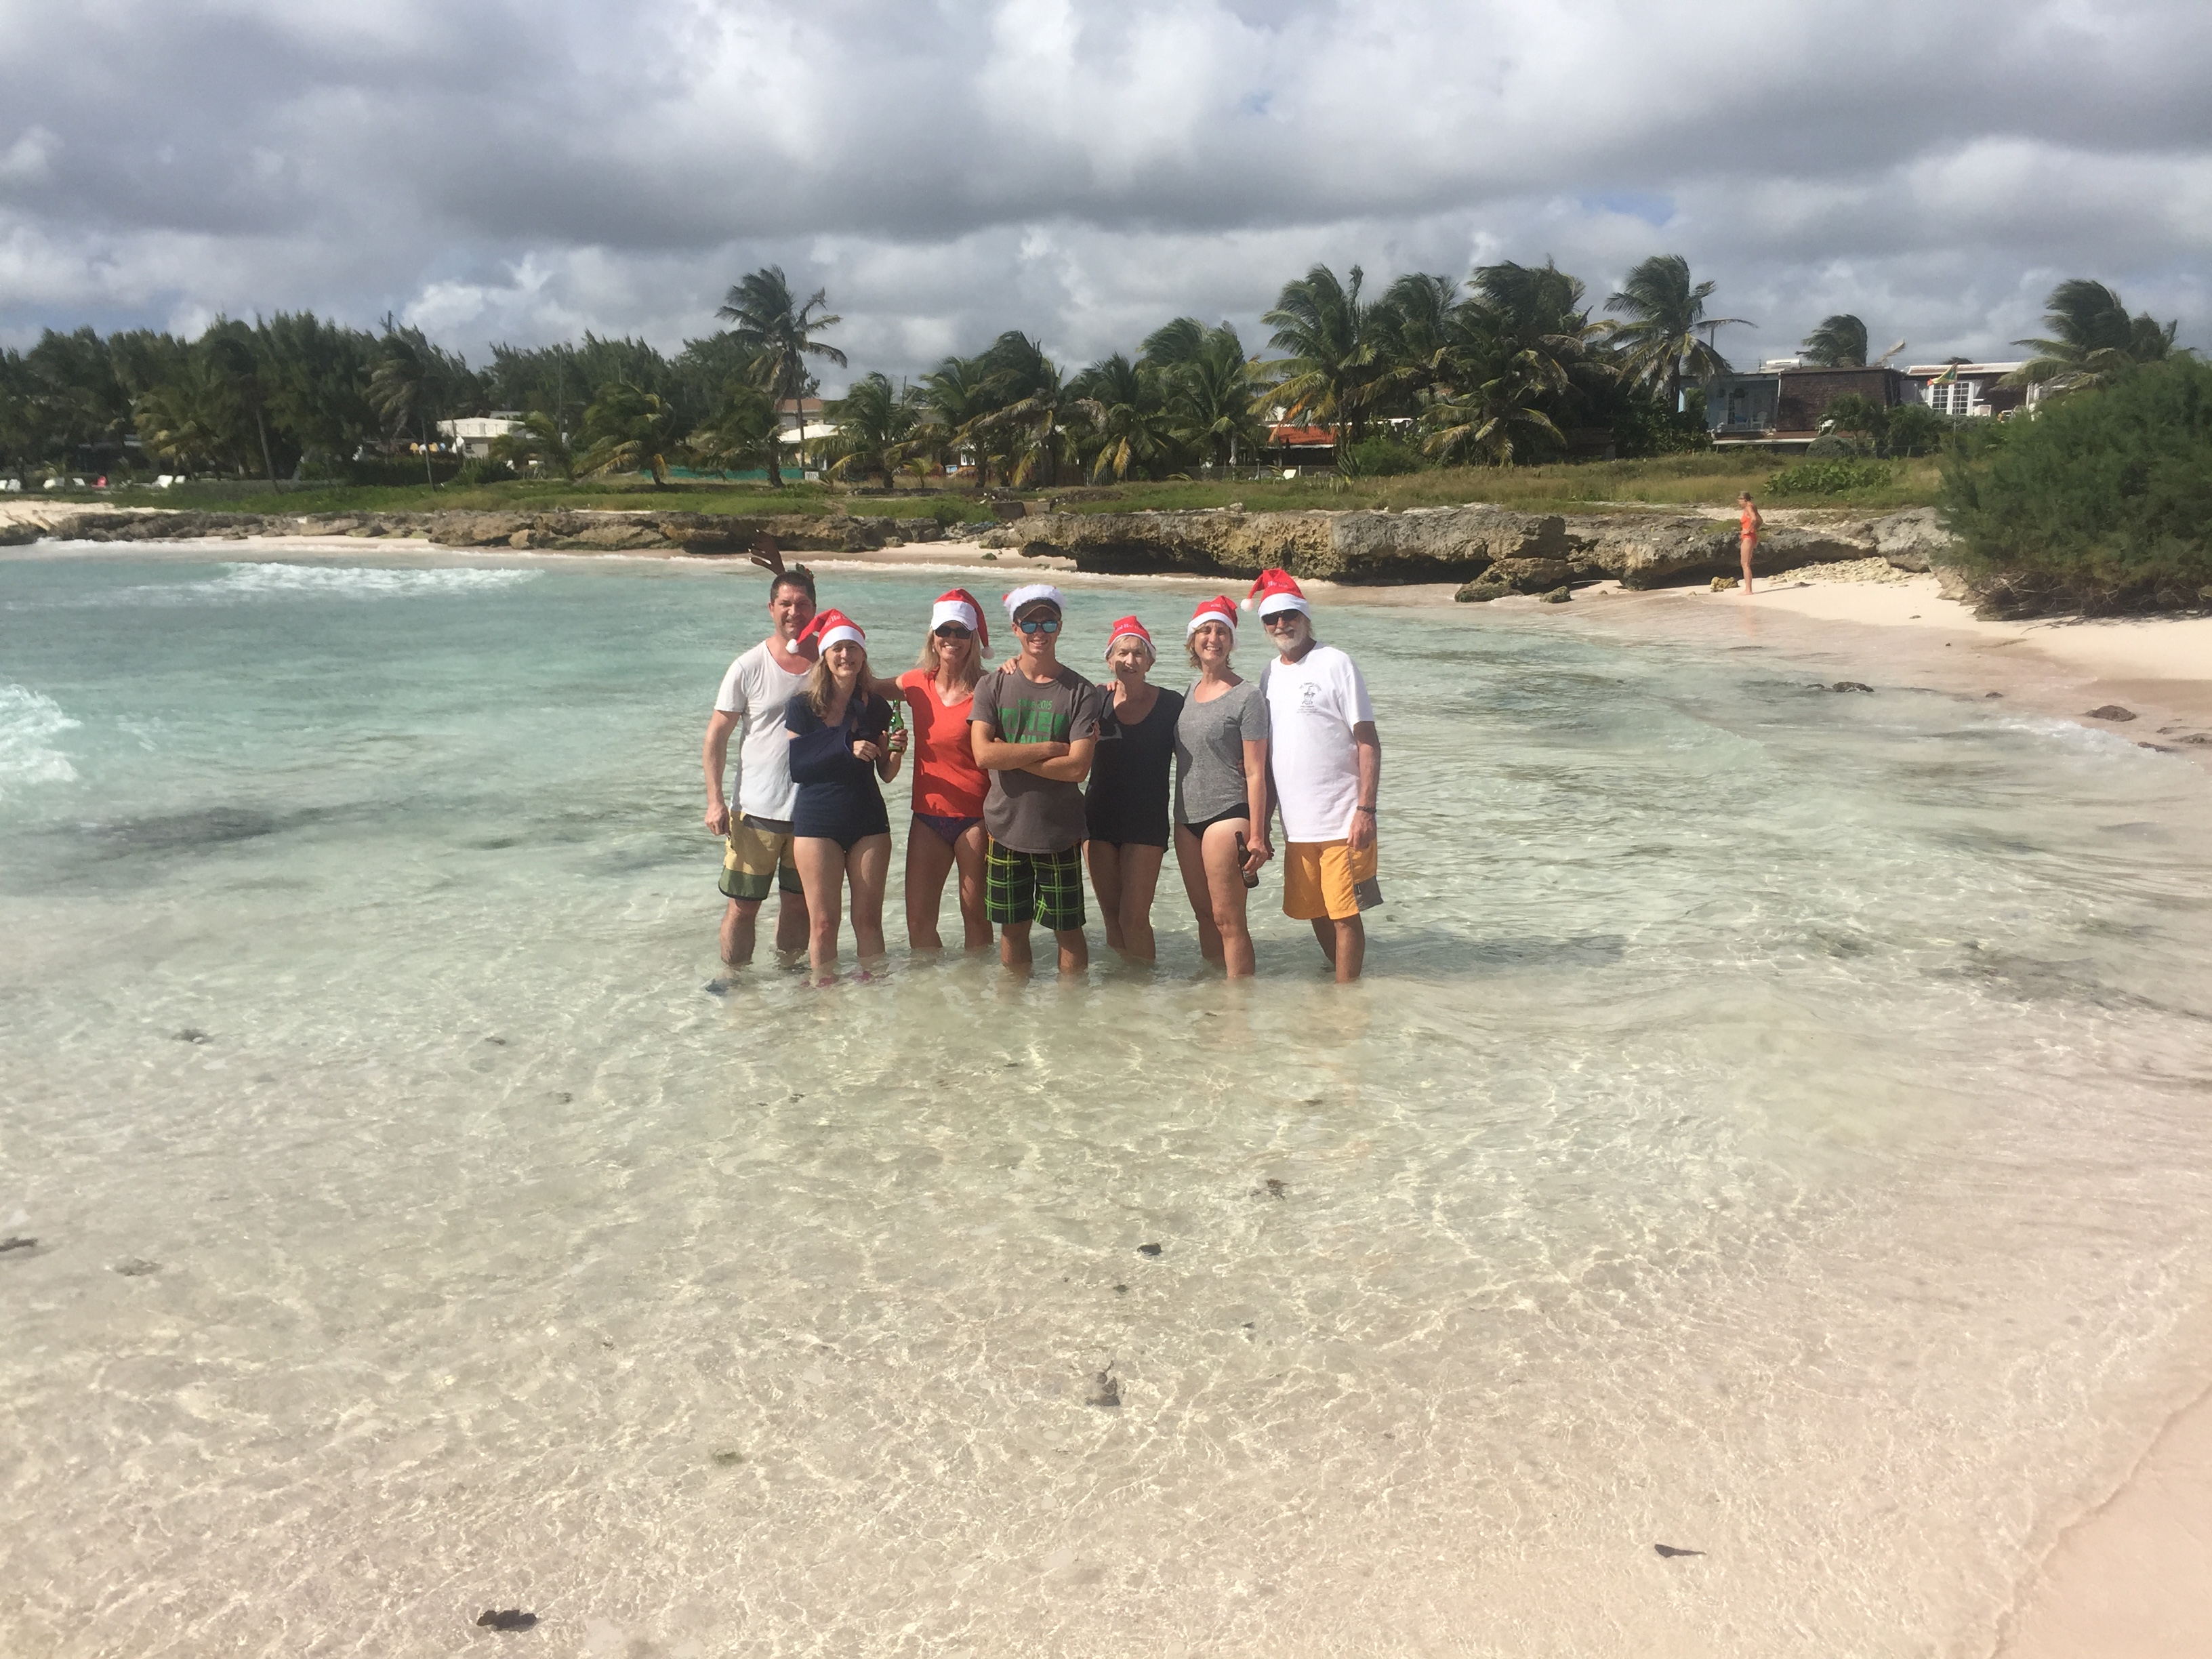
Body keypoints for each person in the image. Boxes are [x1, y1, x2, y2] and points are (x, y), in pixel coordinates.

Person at [1251, 569, 1380, 984]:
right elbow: (1268, 759)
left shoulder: (1336, 663)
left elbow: (1368, 742)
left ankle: (1348, 998)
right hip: (1296, 826)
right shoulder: (1269, 675)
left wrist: (1366, 810)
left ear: (1305, 617)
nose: (1280, 624)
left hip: (1343, 821)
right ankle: (1338, 988)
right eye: (1271, 618)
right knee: (1316, 911)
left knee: (1345, 913)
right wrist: (1262, 825)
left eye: (1289, 615)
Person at [968, 583, 1105, 975]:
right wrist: (1049, 748)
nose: (1038, 631)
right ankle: (1012, 1008)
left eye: (1048, 622)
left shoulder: (1082, 692)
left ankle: (1071, 1008)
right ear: (1015, 629)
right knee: (1012, 931)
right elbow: (983, 755)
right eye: (1029, 624)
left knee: (1069, 932)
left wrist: (1009, 755)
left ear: (1060, 627)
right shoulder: (992, 685)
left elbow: (1077, 769)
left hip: (1059, 831)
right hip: (1005, 829)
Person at [703, 565, 817, 966]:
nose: (793, 612)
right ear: (771, 608)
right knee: (743, 906)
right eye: (785, 604)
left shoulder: (830, 662)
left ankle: (791, 976)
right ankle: (735, 981)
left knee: (799, 904)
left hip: (812, 809)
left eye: (802, 604)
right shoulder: (748, 666)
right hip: (756, 810)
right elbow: (717, 735)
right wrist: (715, 801)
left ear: (814, 609)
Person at [784, 609, 903, 983]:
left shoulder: (876, 706)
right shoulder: (802, 706)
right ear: (825, 655)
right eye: (837, 648)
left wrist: (896, 749)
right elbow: (799, 766)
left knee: (868, 921)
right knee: (823, 923)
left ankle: (873, 1001)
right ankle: (827, 1003)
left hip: (868, 820)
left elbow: (886, 774)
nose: (845, 655)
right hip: (817, 822)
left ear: (863, 655)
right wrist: (846, 748)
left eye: (853, 648)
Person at [1173, 596, 1272, 979]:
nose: (1213, 638)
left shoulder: (1248, 697)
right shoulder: (1187, 694)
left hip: (1228, 814)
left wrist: (1259, 835)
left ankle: (1239, 1003)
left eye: (1221, 632)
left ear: (1231, 642)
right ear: (1192, 640)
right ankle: (1214, 990)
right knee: (1203, 915)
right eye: (1205, 631)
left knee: (1227, 919)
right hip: (1186, 819)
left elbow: (1256, 771)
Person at [897, 590, 994, 953]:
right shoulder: (914, 683)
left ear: (973, 640)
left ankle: (978, 987)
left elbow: (1036, 694)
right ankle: (928, 988)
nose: (952, 638)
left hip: (976, 819)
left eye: (961, 632)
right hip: (927, 816)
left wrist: (1108, 689)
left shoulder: (991, 687)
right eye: (945, 630)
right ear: (933, 636)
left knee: (976, 918)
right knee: (918, 922)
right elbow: (852, 680)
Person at [1083, 616, 1183, 963]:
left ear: (1150, 661)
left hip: (1146, 823)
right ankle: (1122, 992)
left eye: (1138, 653)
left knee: (1135, 919)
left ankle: (1145, 985)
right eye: (1122, 653)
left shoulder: (1172, 705)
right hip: (1098, 820)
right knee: (1112, 920)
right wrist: (1010, 665)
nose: (1130, 660)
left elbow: (1200, 749)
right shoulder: (1095, 699)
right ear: (1109, 660)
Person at [1738, 491, 1764, 594]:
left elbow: (1754, 519)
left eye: (1739, 500)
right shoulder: (1752, 506)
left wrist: (1748, 530)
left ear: (1744, 499)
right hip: (1751, 536)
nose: (1739, 503)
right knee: (1746, 563)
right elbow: (1760, 521)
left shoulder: (1749, 507)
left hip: (1748, 537)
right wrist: (1754, 529)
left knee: (1745, 564)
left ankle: (1748, 590)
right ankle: (1748, 589)